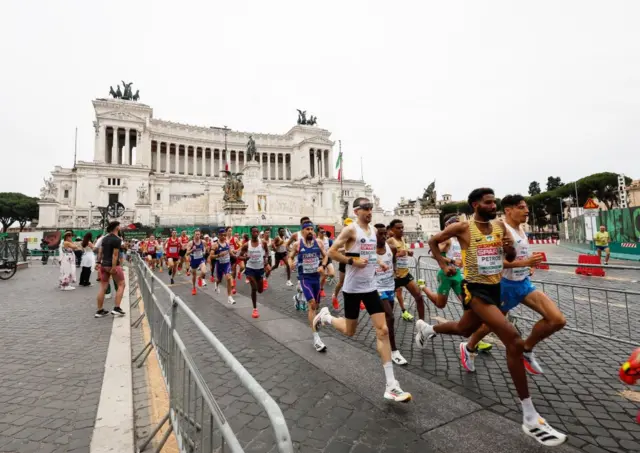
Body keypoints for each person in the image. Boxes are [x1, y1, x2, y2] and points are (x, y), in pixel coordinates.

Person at [415, 188, 566, 446]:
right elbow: (433, 241)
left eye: (494, 201)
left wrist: (507, 249)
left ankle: (428, 330)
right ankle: (530, 417)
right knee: (514, 341)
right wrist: (443, 264)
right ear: (475, 205)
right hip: (475, 290)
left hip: (495, 288)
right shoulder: (463, 228)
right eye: (487, 202)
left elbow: (507, 256)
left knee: (464, 329)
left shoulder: (499, 227)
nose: (492, 205)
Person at [315, 197, 412, 403]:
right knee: (350, 331)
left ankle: (391, 385)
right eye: (365, 208)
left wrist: (379, 262)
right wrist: (352, 261)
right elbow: (332, 252)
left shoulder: (372, 232)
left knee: (383, 330)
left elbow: (367, 252)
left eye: (371, 208)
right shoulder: (351, 230)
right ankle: (326, 318)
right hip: (352, 289)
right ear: (356, 210)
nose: (369, 211)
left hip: (370, 287)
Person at [461, 195, 566, 374]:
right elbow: (495, 262)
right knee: (488, 326)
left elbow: (522, 256)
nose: (527, 211)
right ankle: (469, 347)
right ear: (508, 210)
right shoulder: (500, 229)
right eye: (521, 207)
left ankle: (527, 349)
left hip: (523, 284)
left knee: (557, 320)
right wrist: (525, 263)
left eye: (526, 207)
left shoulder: (520, 229)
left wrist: (529, 266)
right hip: (504, 285)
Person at [289, 221, 329, 352]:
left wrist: (322, 266)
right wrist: (291, 263)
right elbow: (290, 257)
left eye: (312, 229)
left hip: (316, 279)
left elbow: (326, 256)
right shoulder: (297, 244)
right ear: (303, 231)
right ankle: (316, 339)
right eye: (308, 229)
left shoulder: (319, 243)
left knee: (316, 306)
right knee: (312, 305)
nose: (310, 231)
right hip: (305, 278)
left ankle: (297, 298)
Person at [374, 223, 408, 365]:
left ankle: (382, 338)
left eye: (384, 234)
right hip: (377, 288)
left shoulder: (392, 249)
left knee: (388, 321)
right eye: (379, 234)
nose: (383, 237)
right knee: (391, 316)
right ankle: (393, 350)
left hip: (389, 286)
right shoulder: (370, 252)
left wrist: (394, 272)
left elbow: (393, 262)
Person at [388, 219, 425, 322]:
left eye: (402, 227)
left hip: (405, 274)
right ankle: (387, 325)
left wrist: (408, 252)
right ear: (392, 229)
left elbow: (403, 251)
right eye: (398, 228)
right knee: (388, 304)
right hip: (394, 277)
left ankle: (422, 323)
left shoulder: (403, 239)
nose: (401, 230)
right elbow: (384, 256)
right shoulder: (390, 241)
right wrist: (398, 254)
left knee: (419, 297)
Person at [95, 221, 126, 318]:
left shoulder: (104, 238)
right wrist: (113, 268)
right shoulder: (117, 239)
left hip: (103, 265)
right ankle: (117, 308)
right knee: (121, 284)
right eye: (119, 226)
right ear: (117, 228)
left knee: (103, 287)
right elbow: (115, 255)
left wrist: (98, 263)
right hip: (112, 265)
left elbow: (100, 251)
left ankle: (99, 310)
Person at [238, 226, 271, 319]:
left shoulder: (263, 243)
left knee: (260, 290)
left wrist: (266, 260)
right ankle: (255, 309)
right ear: (251, 233)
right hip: (250, 268)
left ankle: (263, 280)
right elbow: (239, 256)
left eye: (257, 232)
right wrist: (245, 258)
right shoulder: (246, 245)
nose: (255, 234)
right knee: (254, 288)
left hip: (260, 268)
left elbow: (267, 252)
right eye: (254, 232)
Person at [331, 218, 353, 310]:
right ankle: (334, 296)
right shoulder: (341, 238)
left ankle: (359, 300)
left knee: (354, 281)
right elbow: (334, 250)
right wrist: (345, 250)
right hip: (344, 261)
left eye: (350, 226)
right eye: (347, 226)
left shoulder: (355, 237)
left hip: (353, 262)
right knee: (341, 282)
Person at [211, 228, 235, 304]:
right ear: (219, 235)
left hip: (227, 264)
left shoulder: (227, 243)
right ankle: (216, 284)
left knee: (228, 278)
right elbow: (211, 256)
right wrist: (219, 255)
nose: (224, 237)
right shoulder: (215, 245)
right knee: (219, 280)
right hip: (219, 265)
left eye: (225, 235)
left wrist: (237, 255)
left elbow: (231, 253)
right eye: (222, 235)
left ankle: (229, 297)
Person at [186, 230, 208, 295]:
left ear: (200, 235)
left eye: (198, 234)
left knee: (204, 271)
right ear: (194, 235)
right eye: (196, 234)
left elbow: (205, 247)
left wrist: (204, 251)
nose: (197, 236)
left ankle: (200, 278)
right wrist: (192, 249)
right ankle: (193, 288)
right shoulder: (191, 243)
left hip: (201, 259)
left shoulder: (203, 241)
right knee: (194, 275)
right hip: (193, 260)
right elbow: (187, 253)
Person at [317, 228, 335, 297]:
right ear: (318, 232)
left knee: (332, 273)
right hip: (319, 259)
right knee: (323, 276)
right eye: (321, 232)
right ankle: (321, 289)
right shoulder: (316, 241)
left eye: (324, 232)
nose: (323, 233)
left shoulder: (328, 240)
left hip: (327, 258)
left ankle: (324, 275)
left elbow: (333, 248)